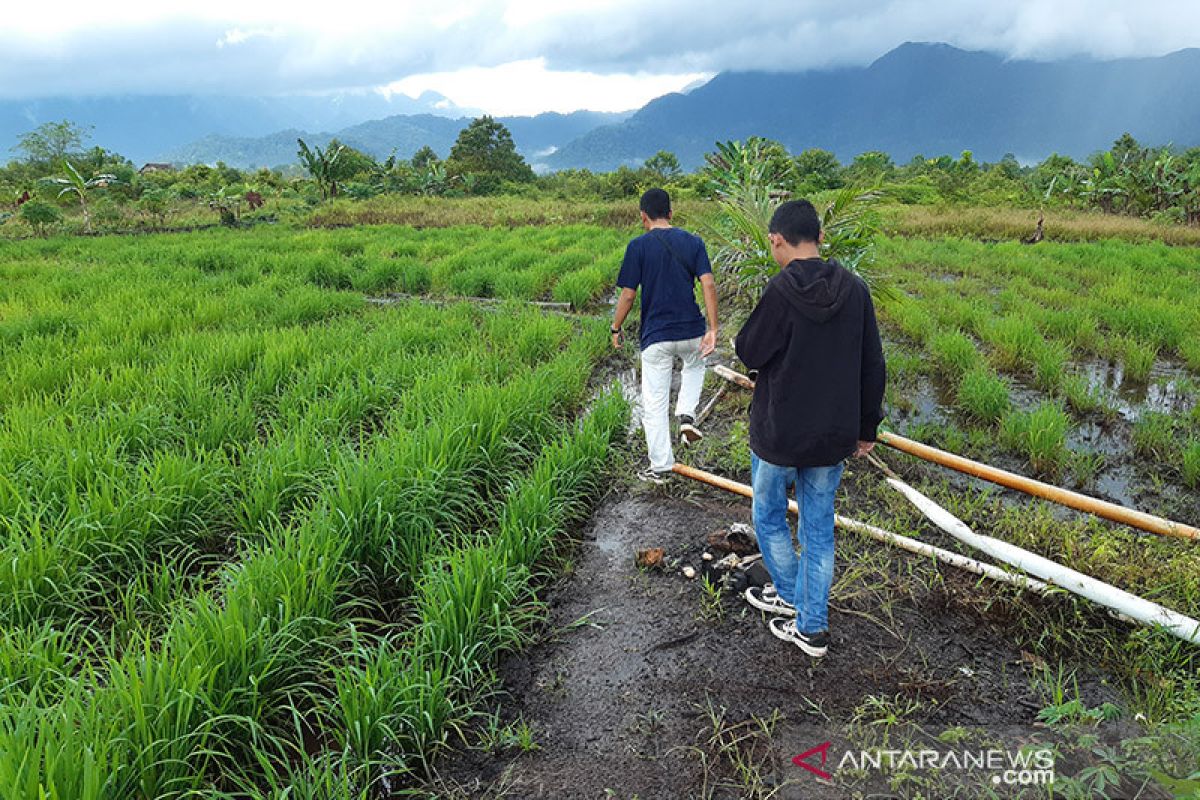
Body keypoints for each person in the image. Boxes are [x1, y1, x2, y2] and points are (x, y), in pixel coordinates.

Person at [734, 199, 886, 657]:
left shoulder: (780, 291)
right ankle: (811, 626)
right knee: (818, 530)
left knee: (768, 516)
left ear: (777, 240)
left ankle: (793, 598)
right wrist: (867, 428)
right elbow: (872, 364)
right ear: (819, 238)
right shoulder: (855, 290)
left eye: (773, 244)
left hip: (780, 433)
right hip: (832, 435)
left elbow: (749, 350)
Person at [611, 188, 719, 483]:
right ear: (671, 213)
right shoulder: (694, 242)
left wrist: (616, 327)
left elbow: (629, 295)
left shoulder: (638, 246)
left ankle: (661, 467)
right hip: (692, 329)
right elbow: (708, 284)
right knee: (695, 365)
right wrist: (713, 328)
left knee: (655, 402)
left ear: (643, 216)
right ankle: (686, 415)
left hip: (656, 335)